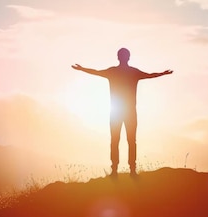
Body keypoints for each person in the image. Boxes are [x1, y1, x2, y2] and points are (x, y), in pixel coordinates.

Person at [72, 47, 173, 177]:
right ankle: (131, 170)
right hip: (128, 111)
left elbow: (96, 72)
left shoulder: (113, 71)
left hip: (117, 112)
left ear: (118, 57)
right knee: (130, 140)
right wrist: (162, 73)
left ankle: (116, 170)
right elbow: (150, 75)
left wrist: (82, 69)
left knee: (116, 140)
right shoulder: (132, 72)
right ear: (128, 57)